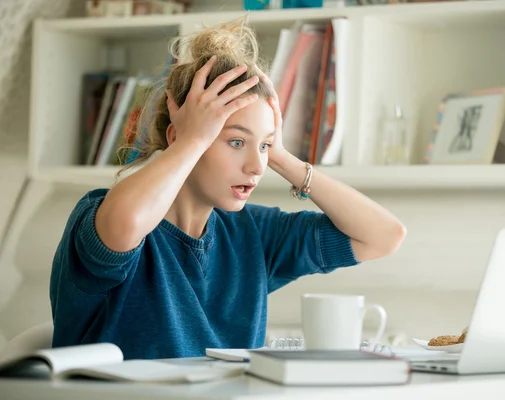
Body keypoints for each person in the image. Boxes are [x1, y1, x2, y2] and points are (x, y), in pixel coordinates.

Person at [49, 17, 406, 360]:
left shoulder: (254, 234)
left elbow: (383, 235)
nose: (256, 166)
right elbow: (126, 224)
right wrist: (191, 141)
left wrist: (282, 157)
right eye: (236, 142)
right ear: (180, 136)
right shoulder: (100, 214)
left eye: (263, 147)